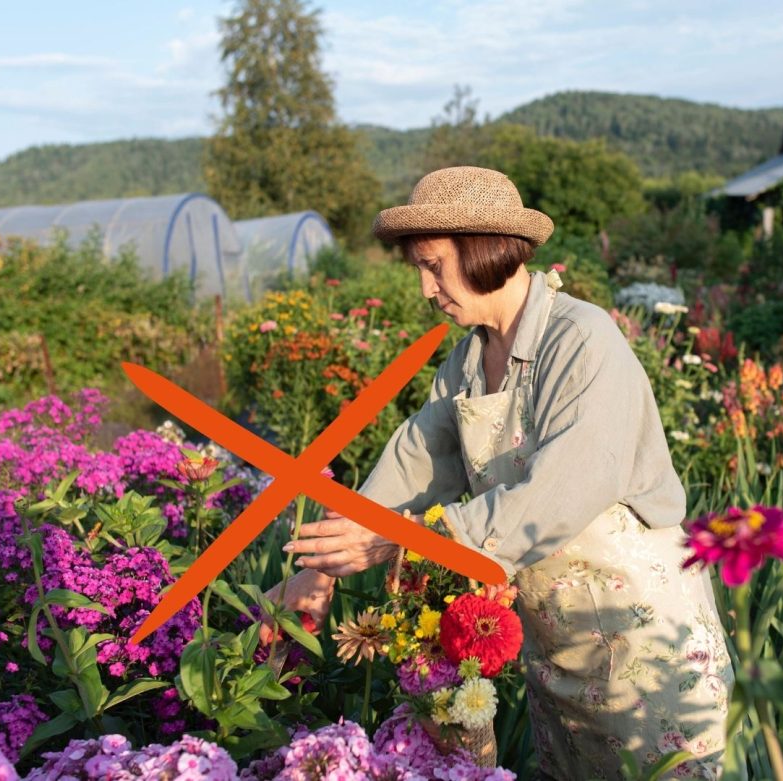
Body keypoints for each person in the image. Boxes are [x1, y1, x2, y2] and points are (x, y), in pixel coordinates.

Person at [269, 166, 732, 780]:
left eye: (434, 266)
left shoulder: (581, 340)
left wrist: (398, 538)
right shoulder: (466, 362)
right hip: (558, 648)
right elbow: (419, 457)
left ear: (485, 250)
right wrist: (320, 569)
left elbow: (562, 491)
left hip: (645, 647)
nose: (426, 290)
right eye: (420, 271)